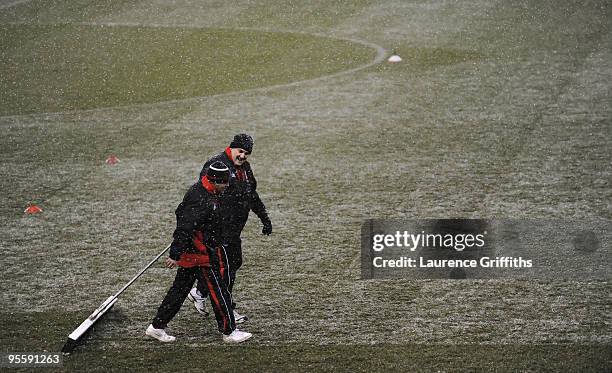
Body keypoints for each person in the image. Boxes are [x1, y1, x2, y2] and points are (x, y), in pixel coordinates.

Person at [145, 161, 252, 344]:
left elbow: (180, 212)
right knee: (219, 291)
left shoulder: (206, 190)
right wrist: (175, 254)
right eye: (225, 183)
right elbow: (184, 227)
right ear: (216, 181)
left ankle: (156, 327)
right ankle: (229, 332)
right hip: (201, 254)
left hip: (194, 252)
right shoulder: (200, 199)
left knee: (179, 291)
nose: (227, 186)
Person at [187, 134, 272, 323]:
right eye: (240, 151)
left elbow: (251, 194)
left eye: (247, 153)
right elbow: (204, 193)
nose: (243, 156)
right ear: (232, 148)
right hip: (218, 230)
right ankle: (227, 309)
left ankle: (200, 292)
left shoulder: (245, 169)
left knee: (233, 263)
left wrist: (264, 217)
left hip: (233, 229)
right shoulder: (217, 164)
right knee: (226, 269)